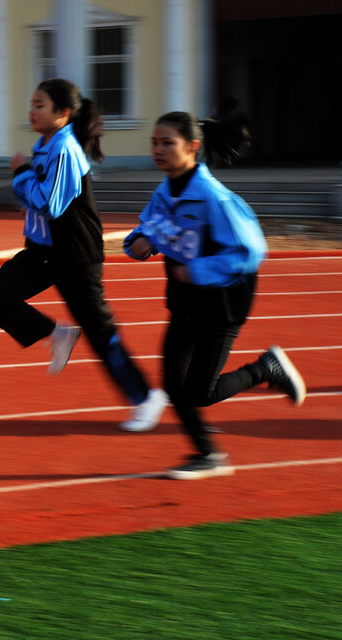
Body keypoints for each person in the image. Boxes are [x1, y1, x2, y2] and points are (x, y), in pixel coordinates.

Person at [0, 78, 168, 432]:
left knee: (101, 333)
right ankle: (58, 333)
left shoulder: (65, 149)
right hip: (43, 251)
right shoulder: (46, 144)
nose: (32, 111)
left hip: (75, 256)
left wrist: (20, 172)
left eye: (39, 104)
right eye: (32, 103)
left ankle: (145, 397)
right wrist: (26, 175)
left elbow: (50, 202)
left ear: (63, 113)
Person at [124, 110, 305, 479]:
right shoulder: (164, 192)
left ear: (192, 147)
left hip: (223, 303)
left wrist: (197, 270)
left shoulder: (214, 198)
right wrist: (139, 243)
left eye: (167, 143)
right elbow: (147, 229)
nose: (158, 150)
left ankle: (264, 369)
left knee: (199, 392)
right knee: (174, 387)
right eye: (154, 143)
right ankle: (206, 455)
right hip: (185, 301)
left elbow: (250, 252)